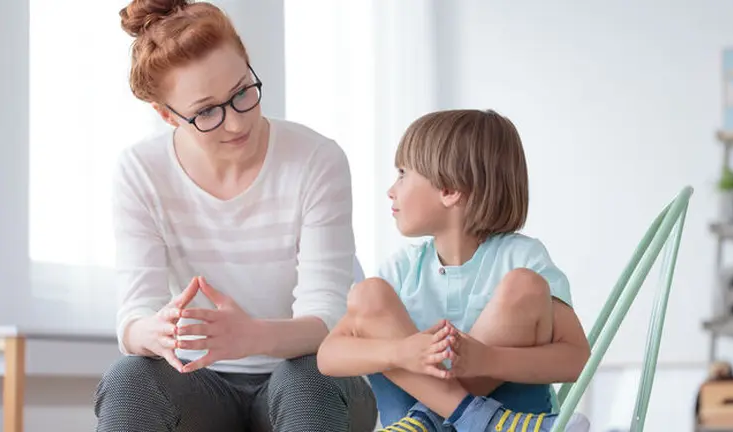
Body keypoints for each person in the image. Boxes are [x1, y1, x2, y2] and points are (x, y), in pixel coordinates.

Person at [94, 1, 377, 431]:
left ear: (248, 64)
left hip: (306, 376)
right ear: (167, 115)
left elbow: (328, 322)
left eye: (243, 91)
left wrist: (252, 336)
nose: (236, 123)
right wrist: (154, 331)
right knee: (130, 378)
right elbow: (134, 319)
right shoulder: (141, 171)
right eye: (207, 111)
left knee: (307, 376)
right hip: (201, 386)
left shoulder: (316, 159)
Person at [317, 109, 592, 431]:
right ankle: (478, 419)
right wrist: (401, 352)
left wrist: (488, 358)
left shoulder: (521, 259)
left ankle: (430, 422)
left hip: (502, 418)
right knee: (368, 293)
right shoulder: (402, 269)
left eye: (403, 174)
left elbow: (576, 359)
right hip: (476, 422)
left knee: (524, 285)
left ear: (449, 190)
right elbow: (328, 356)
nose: (391, 190)